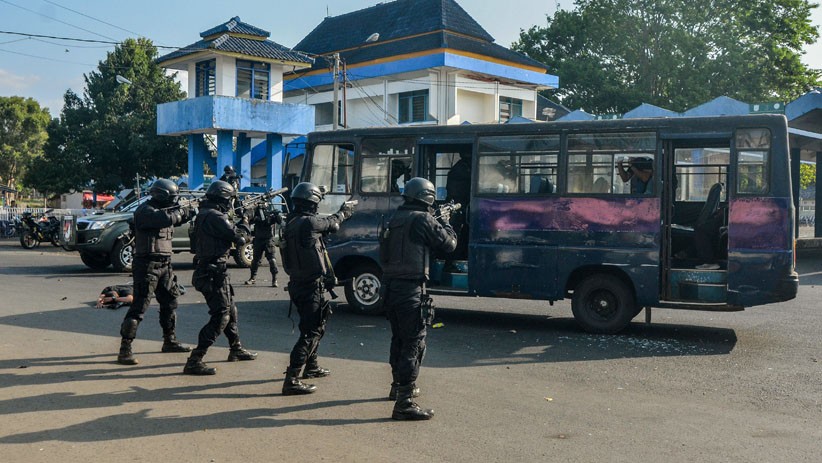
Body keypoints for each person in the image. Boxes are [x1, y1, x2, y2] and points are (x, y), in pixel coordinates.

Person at [380, 177, 457, 421]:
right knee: (414, 343)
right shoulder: (423, 219)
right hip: (410, 289)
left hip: (390, 287)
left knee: (399, 339)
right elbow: (449, 245)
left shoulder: (394, 218)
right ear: (428, 197)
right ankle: (404, 402)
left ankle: (397, 387)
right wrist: (446, 222)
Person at [279, 182, 355, 395]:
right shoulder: (309, 223)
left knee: (316, 326)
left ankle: (311, 366)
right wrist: (343, 212)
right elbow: (332, 223)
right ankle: (292, 379)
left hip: (300, 284)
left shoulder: (291, 222)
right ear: (312, 203)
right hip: (309, 287)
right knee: (310, 332)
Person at [117, 179, 194, 366]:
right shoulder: (145, 211)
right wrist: (181, 210)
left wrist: (189, 211)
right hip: (147, 265)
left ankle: (169, 340)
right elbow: (165, 219)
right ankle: (125, 349)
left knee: (170, 302)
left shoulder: (165, 209)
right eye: (172, 197)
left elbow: (178, 219)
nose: (174, 200)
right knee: (139, 307)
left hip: (165, 264)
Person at [184, 180, 257, 375]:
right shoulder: (215, 217)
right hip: (213, 273)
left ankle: (236, 348)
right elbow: (239, 238)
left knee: (230, 310)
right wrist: (246, 219)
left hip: (212, 270)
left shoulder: (205, 213)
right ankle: (195, 359)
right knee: (221, 315)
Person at [243, 202, 282, 287]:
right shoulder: (255, 214)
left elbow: (279, 221)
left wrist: (277, 214)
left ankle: (274, 279)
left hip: (268, 240)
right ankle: (252, 278)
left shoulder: (270, 215)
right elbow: (248, 219)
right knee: (255, 260)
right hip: (258, 239)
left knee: (272, 260)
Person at [445, 151, 471, 263]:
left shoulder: (463, 167)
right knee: (456, 235)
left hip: (460, 206)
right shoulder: (460, 169)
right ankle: (452, 261)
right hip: (457, 208)